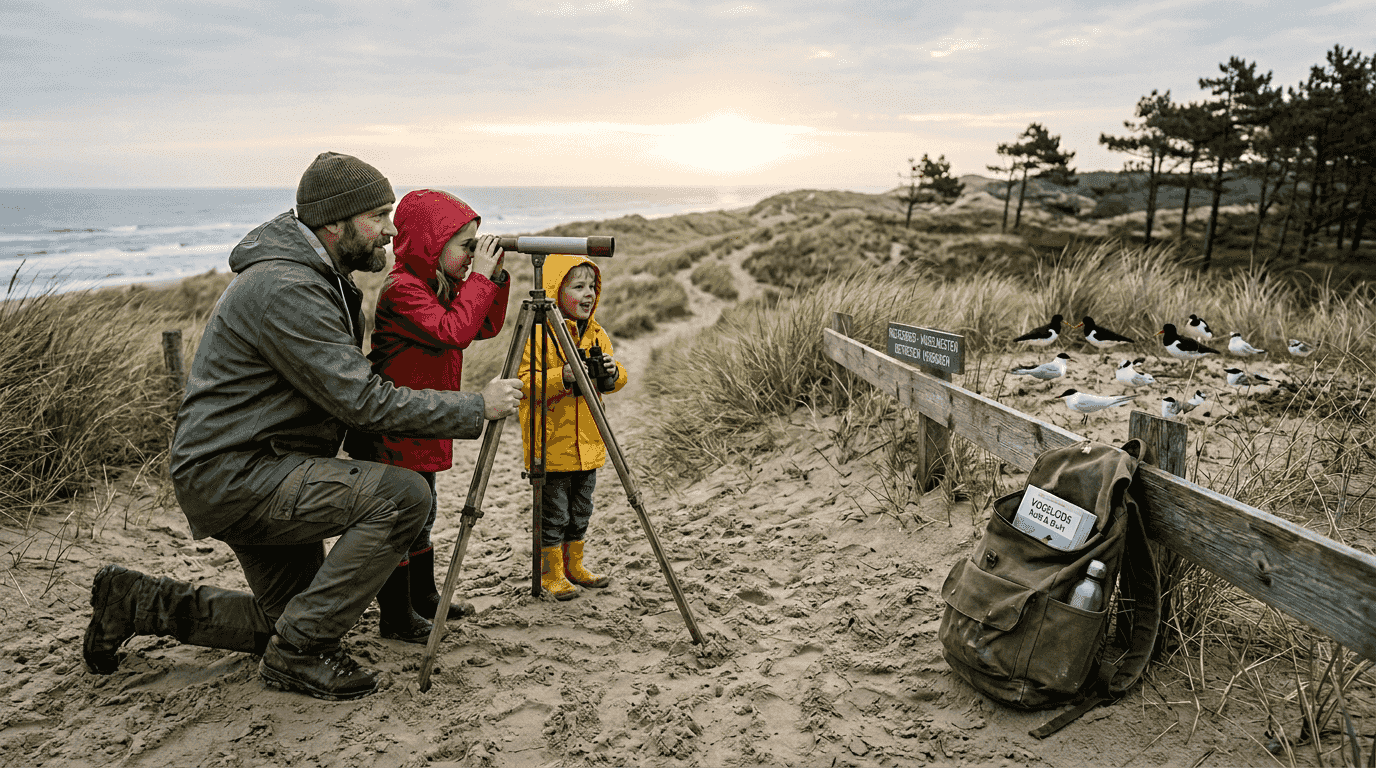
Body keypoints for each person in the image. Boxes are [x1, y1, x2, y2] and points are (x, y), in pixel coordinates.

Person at [82, 152, 524, 702]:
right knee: (404, 497)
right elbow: (364, 401)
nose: (390, 230)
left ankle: (135, 602)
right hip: (242, 473)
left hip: (260, 466)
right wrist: (475, 409)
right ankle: (298, 657)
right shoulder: (288, 288)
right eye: (379, 215)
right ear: (334, 224)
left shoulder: (319, 278)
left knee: (287, 618)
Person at [345, 189, 510, 643]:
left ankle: (424, 598)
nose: (472, 254)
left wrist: (492, 279)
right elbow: (453, 331)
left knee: (425, 512)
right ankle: (396, 615)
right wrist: (480, 278)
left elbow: (485, 326)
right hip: (394, 424)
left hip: (423, 424)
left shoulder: (439, 285)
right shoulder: (402, 290)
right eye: (465, 245)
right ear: (430, 244)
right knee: (402, 517)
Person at [518, 254, 627, 600]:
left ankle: (574, 566)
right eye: (578, 286)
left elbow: (617, 379)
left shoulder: (596, 332)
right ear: (554, 290)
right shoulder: (539, 334)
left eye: (592, 286)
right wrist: (562, 376)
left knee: (581, 511)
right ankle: (551, 573)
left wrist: (612, 372)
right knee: (554, 516)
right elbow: (522, 383)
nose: (589, 293)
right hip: (551, 446)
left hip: (590, 442)